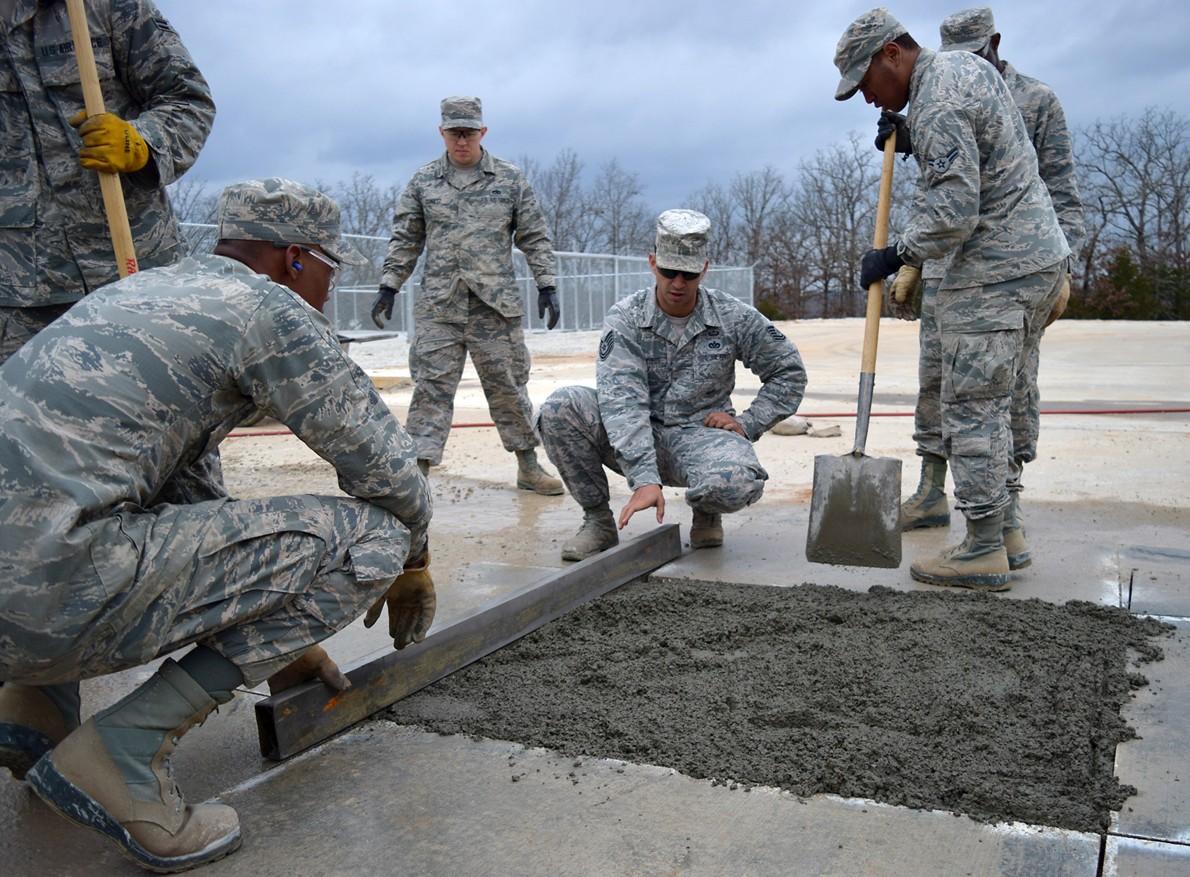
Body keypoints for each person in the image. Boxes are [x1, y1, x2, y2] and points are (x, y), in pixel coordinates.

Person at [0, 178, 436, 871]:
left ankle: (32, 715)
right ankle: (122, 754)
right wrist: (413, 560)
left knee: (78, 507)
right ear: (296, 258)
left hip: (16, 606)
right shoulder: (264, 307)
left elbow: (189, 511)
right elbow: (387, 469)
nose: (328, 287)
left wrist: (277, 639)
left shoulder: (141, 294)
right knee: (374, 536)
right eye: (329, 267)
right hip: (45, 594)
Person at [834, 8, 1069, 591]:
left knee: (970, 408)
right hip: (1036, 261)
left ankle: (982, 548)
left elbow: (953, 215)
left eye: (865, 80)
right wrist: (914, 139)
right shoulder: (965, 70)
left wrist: (895, 255)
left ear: (892, 53)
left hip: (994, 274)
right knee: (1001, 398)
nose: (868, 98)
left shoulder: (935, 99)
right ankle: (1009, 532)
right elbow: (990, 155)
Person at [889, 7, 1086, 576]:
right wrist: (909, 140)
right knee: (947, 387)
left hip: (1001, 270)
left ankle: (994, 534)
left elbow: (1052, 188)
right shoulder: (953, 85)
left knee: (990, 401)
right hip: (964, 268)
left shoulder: (1029, 98)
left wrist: (1062, 264)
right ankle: (963, 511)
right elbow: (948, 186)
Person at [535, 209, 807, 561]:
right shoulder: (627, 318)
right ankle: (599, 522)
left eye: (689, 273)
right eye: (668, 271)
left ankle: (707, 509)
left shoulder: (732, 316)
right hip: (636, 432)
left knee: (735, 482)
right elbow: (623, 403)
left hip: (701, 436)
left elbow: (789, 371)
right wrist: (644, 477)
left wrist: (749, 423)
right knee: (560, 408)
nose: (677, 283)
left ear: (704, 269)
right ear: (652, 263)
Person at [0, 0, 215, 364]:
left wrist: (142, 143)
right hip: (19, 296)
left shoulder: (108, 8)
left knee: (157, 404)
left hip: (134, 265)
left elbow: (188, 100)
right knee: (21, 417)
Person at [371, 95, 563, 495]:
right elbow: (407, 238)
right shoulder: (424, 181)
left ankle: (528, 466)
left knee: (509, 388)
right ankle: (417, 476)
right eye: (454, 133)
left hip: (494, 306)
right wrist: (389, 285)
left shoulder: (508, 179)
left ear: (483, 132)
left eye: (469, 133)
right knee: (430, 390)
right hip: (441, 306)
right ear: (442, 133)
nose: (462, 140)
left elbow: (534, 236)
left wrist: (547, 284)